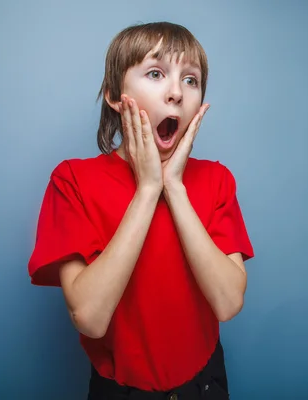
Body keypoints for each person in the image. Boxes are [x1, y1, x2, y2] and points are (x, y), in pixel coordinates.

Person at [27, 21, 254, 399]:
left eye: (191, 80)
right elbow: (91, 318)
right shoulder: (73, 181)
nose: (176, 93)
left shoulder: (217, 180)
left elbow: (229, 303)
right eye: (155, 73)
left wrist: (174, 187)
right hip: (121, 391)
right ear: (116, 95)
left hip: (205, 383)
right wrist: (148, 189)